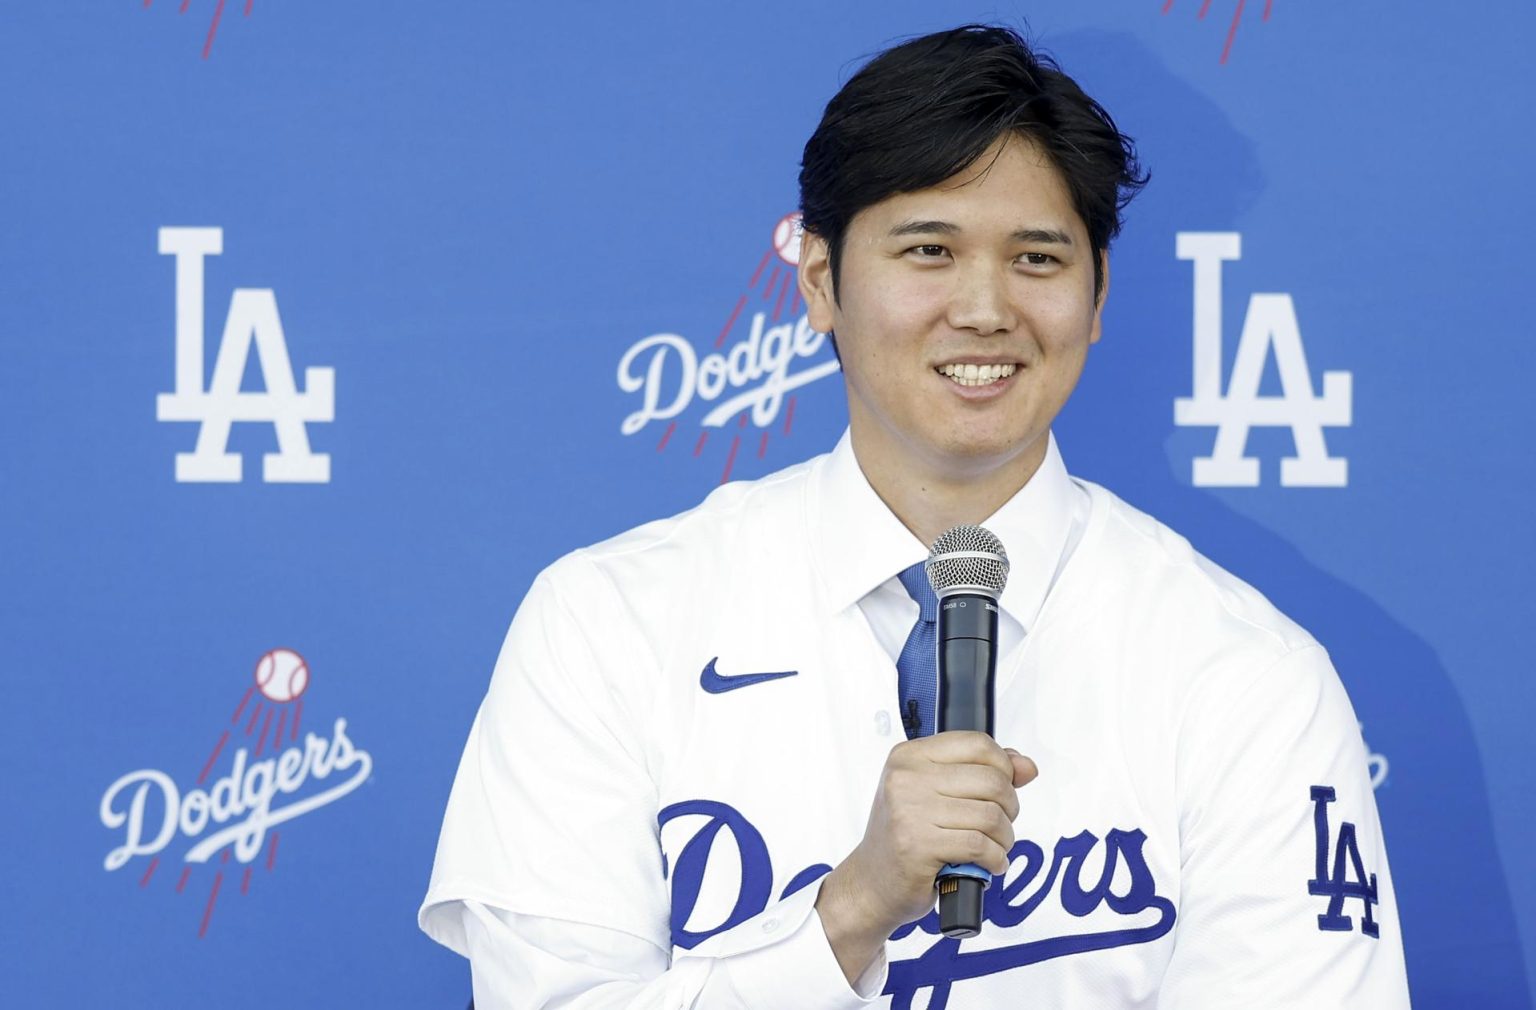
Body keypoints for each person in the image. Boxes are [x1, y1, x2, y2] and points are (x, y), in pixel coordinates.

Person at [419, 24, 1409, 1009]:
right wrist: (851, 907)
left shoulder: (1242, 671)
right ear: (819, 280)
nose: (983, 307)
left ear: (1099, 293)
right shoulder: (607, 622)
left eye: (1037, 258)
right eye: (929, 249)